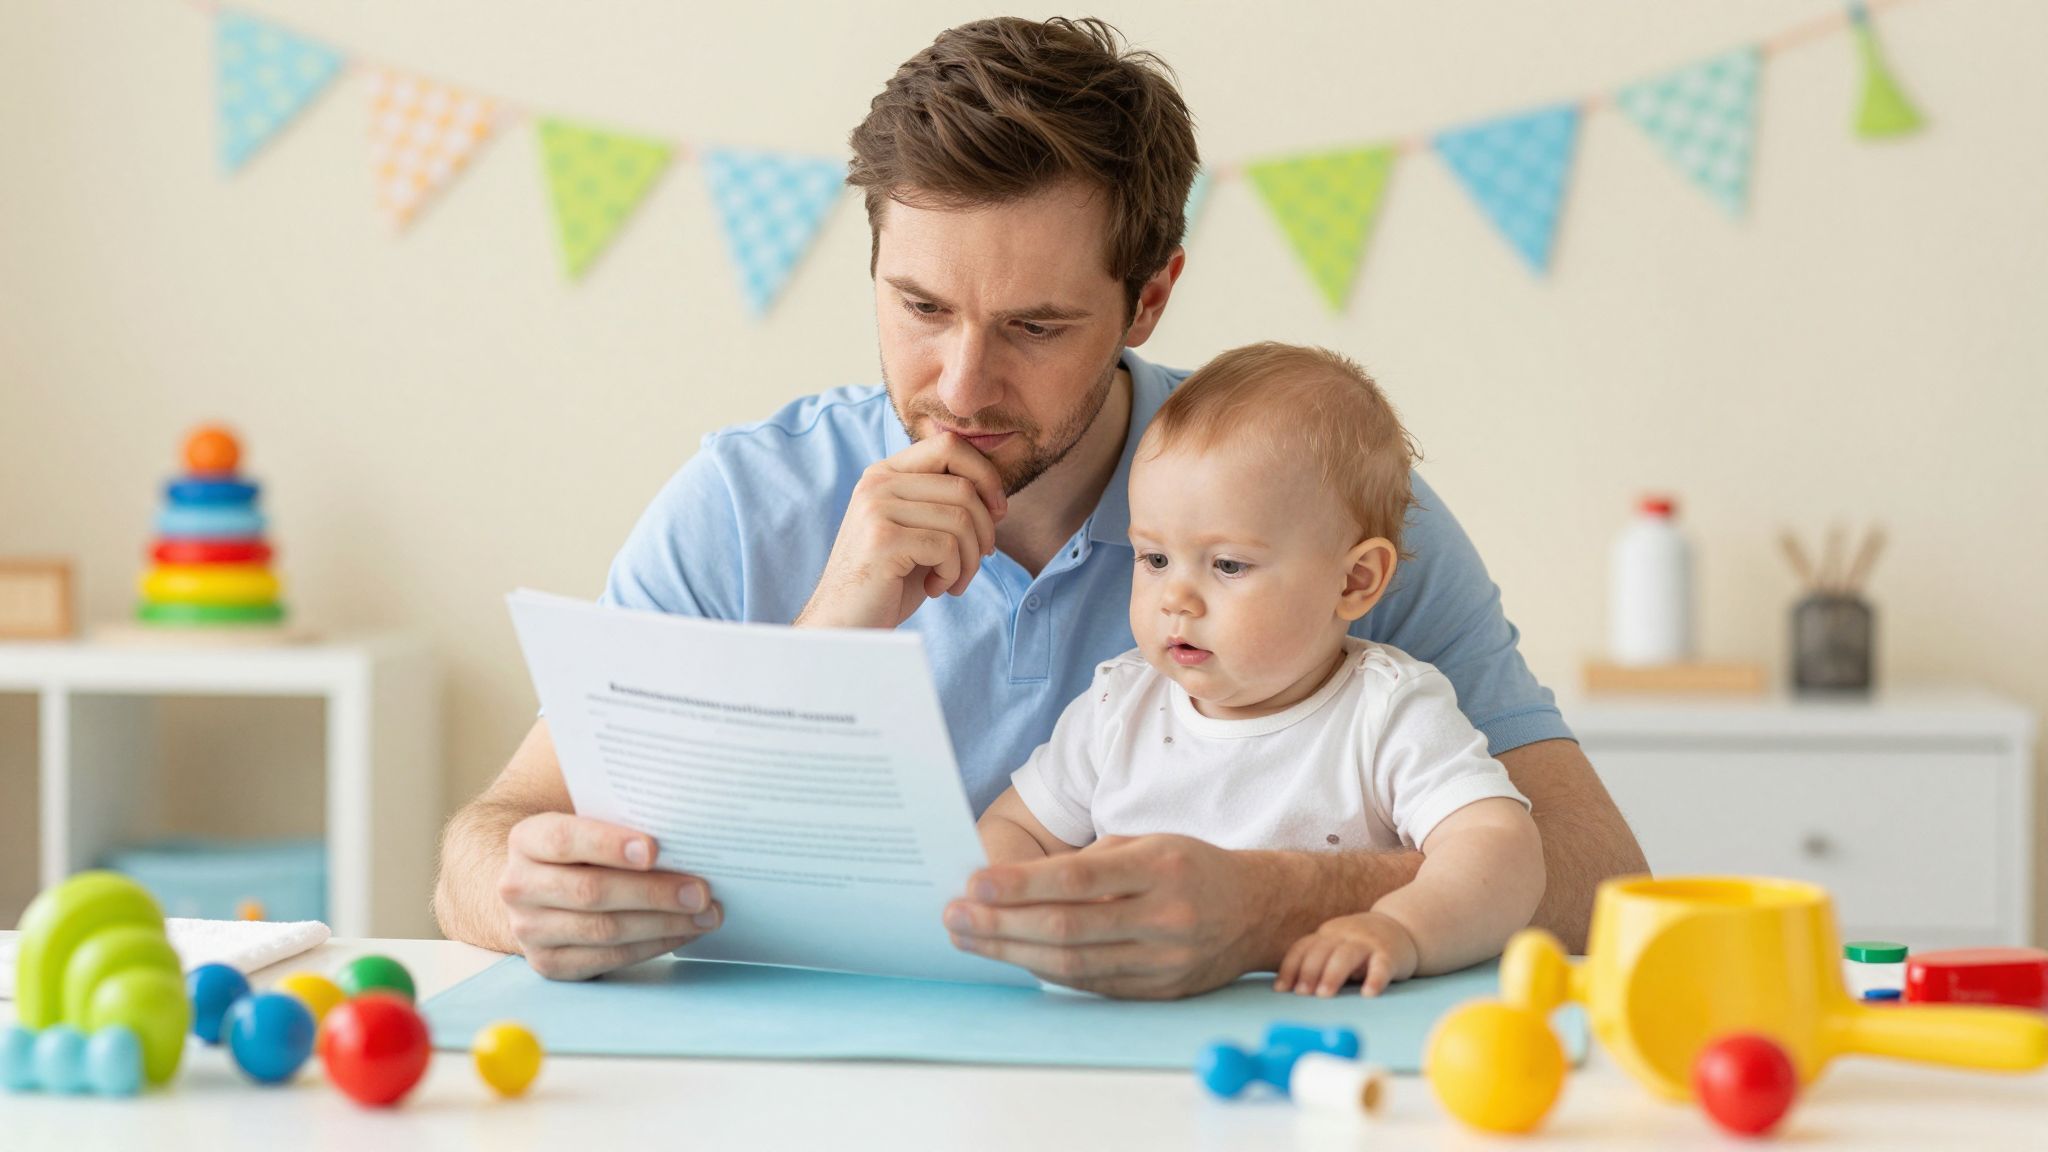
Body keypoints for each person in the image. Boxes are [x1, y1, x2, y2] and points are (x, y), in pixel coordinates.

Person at [432, 16, 1647, 996]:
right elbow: (482, 851)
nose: (960, 386)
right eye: (918, 308)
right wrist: (529, 890)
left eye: (1033, 327)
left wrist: (1264, 903)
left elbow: (1597, 882)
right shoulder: (746, 499)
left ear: (1150, 297)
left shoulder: (1305, 510)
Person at [976, 342, 1545, 997]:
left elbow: (1502, 849)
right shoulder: (1118, 706)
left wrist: (1401, 931)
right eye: (1154, 559)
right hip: (1126, 1036)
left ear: (1356, 580)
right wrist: (1025, 912)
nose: (1175, 599)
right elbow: (1012, 828)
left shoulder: (1386, 711)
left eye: (1227, 566)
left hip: (1319, 1026)